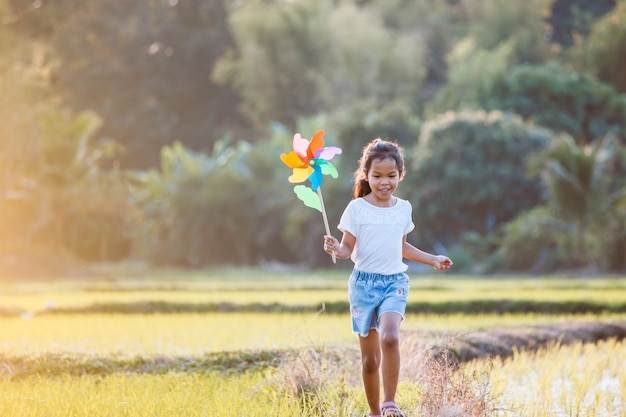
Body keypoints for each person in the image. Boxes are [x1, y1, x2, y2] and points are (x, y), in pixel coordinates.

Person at [323, 138, 452, 417]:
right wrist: (337, 248)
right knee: (370, 360)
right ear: (366, 176)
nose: (384, 182)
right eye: (377, 176)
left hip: (394, 282)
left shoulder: (403, 208)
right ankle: (374, 413)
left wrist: (432, 259)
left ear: (400, 175)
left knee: (390, 337)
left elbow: (402, 246)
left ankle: (390, 403)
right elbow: (347, 249)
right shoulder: (356, 209)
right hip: (363, 285)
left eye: (391, 176)